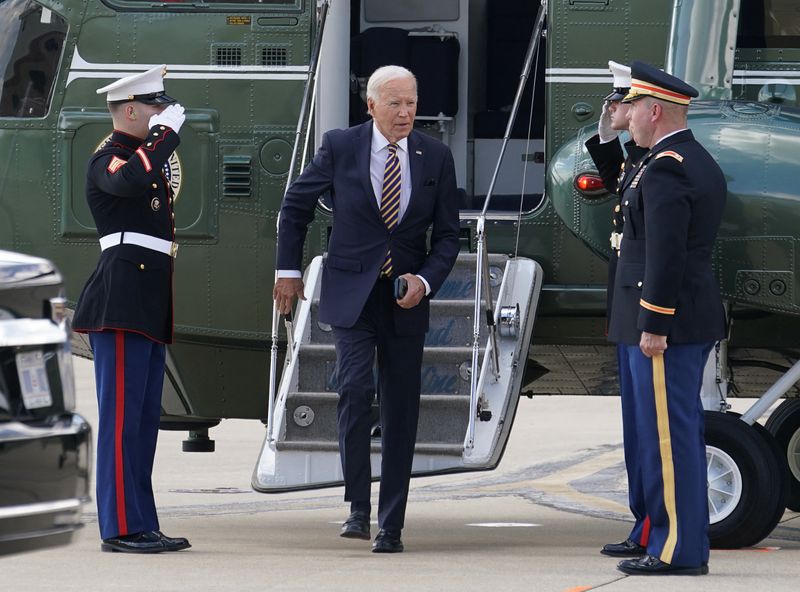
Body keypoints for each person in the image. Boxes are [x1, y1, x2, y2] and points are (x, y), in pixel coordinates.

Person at [273, 65, 460, 553]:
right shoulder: (340, 146)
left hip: (405, 295)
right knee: (355, 389)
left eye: (413, 103)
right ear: (371, 105)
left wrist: (426, 280)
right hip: (352, 292)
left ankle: (392, 523)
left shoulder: (435, 156)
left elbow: (446, 236)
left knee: (401, 409)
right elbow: (296, 206)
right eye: (395, 103)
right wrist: (287, 270)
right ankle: (358, 504)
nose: (405, 113)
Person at [607, 61, 727, 576]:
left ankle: (681, 549)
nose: (625, 115)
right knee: (649, 434)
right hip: (652, 320)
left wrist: (654, 322)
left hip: (664, 325)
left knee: (669, 439)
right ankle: (655, 531)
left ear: (654, 110)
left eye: (631, 106)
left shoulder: (670, 166)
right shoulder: (666, 159)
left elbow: (667, 255)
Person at [72, 65, 190, 554]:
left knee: (142, 422)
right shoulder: (111, 157)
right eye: (154, 108)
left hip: (144, 301)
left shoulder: (141, 158)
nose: (162, 116)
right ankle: (119, 527)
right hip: (119, 301)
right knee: (122, 421)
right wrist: (165, 136)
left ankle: (141, 522)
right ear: (129, 111)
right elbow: (128, 185)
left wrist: (160, 137)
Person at [585, 61, 651, 559]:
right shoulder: (640, 160)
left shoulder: (660, 163)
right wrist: (606, 137)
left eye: (621, 103)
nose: (614, 110)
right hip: (628, 309)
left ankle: (652, 525)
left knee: (650, 427)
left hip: (644, 309)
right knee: (634, 427)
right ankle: (642, 521)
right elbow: (618, 183)